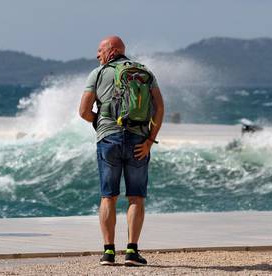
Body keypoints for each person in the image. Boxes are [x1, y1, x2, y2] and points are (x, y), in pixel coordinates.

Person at [79, 35, 164, 266]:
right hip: (138, 139)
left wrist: (100, 121)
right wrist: (149, 140)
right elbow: (159, 108)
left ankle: (108, 252)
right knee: (136, 197)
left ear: (113, 50)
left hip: (109, 140)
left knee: (109, 197)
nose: (97, 55)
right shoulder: (145, 72)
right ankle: (132, 251)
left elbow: (84, 111)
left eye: (100, 50)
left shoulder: (97, 73)